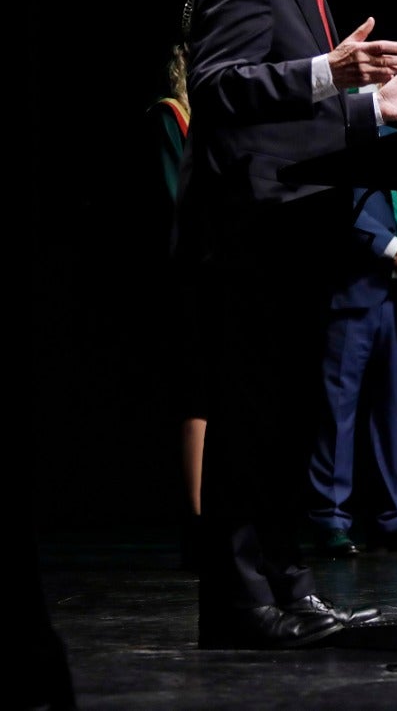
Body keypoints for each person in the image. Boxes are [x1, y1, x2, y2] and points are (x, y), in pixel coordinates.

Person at [175, 0, 397, 650]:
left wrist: (376, 110)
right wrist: (334, 76)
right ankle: (237, 602)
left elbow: (292, 119)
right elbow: (218, 89)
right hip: (247, 239)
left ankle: (288, 588)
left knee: (288, 430)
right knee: (248, 427)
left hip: (296, 239)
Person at [307, 183, 397, 558]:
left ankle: (392, 519)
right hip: (354, 288)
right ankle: (331, 520)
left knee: (390, 413)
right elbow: (340, 203)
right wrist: (393, 248)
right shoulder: (343, 133)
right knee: (340, 411)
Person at [142, 38, 205, 570]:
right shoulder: (170, 119)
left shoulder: (219, 120)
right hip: (191, 272)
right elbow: (175, 198)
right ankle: (198, 523)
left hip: (226, 269)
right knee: (198, 399)